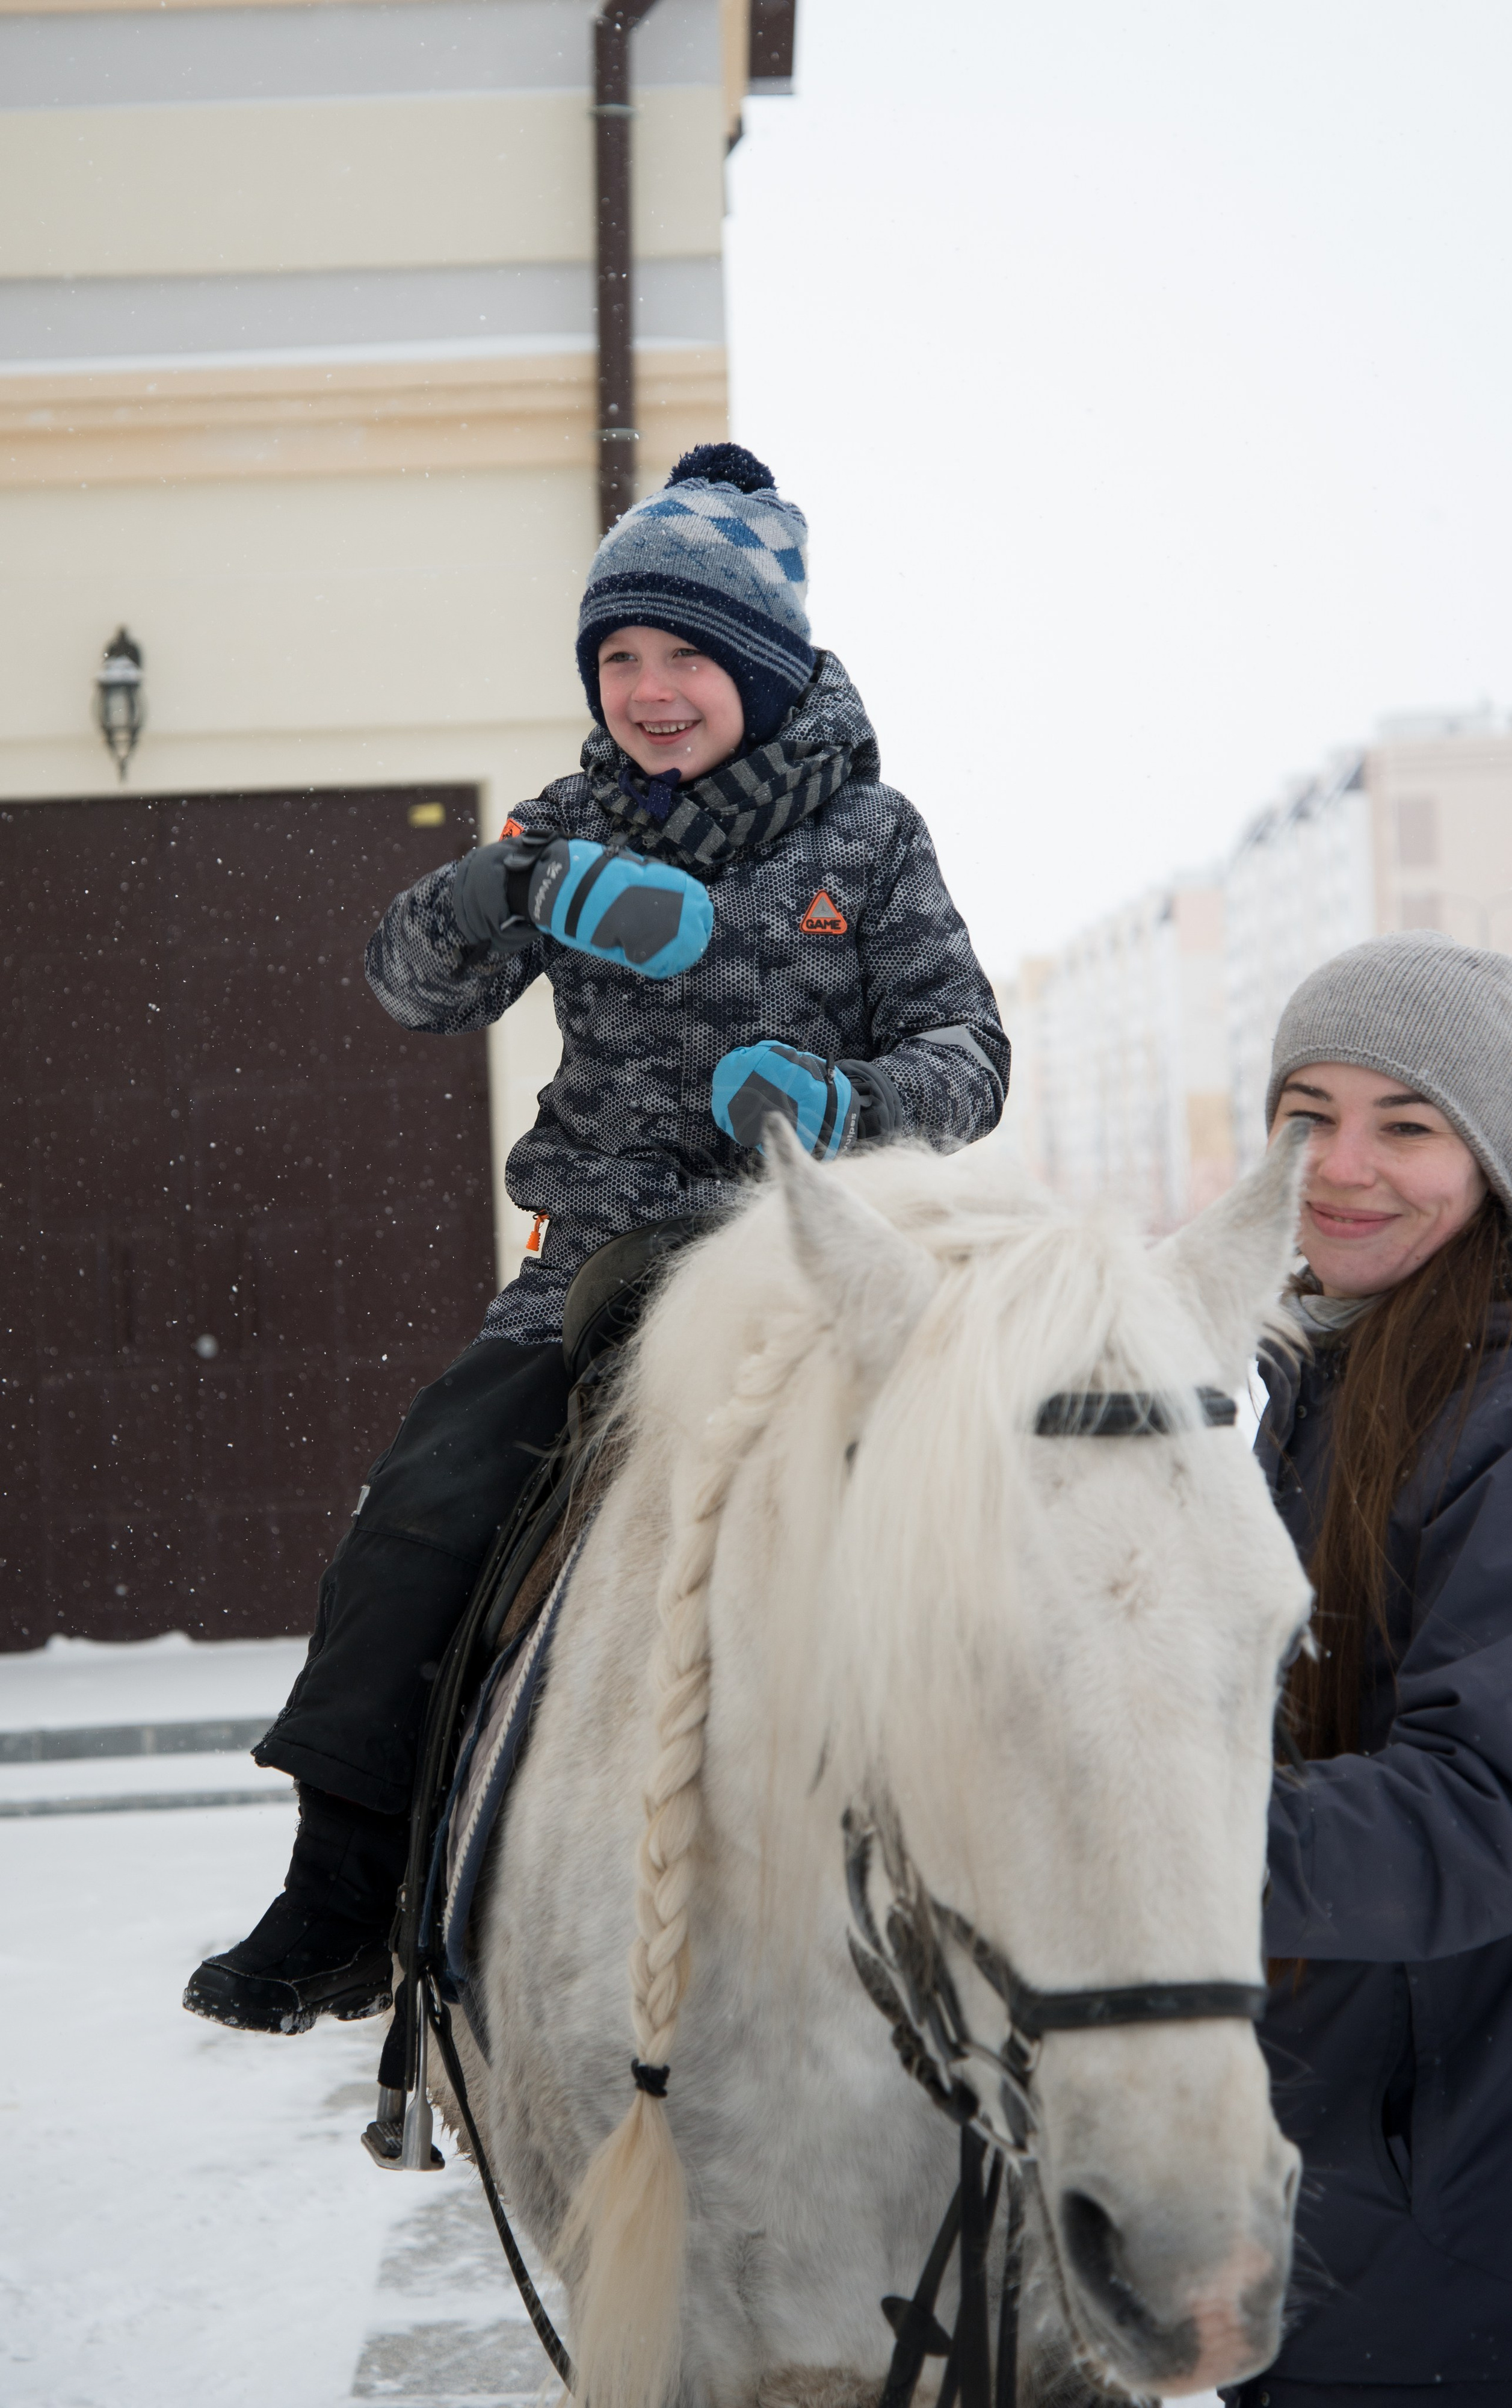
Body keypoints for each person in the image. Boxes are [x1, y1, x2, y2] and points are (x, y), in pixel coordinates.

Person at [183, 442, 1010, 2036]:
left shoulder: (871, 836)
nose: (647, 687)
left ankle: (1012, 1863)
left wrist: (841, 1102)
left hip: (813, 1259)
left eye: (685, 653)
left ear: (762, 671)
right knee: (422, 1506)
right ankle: (346, 1886)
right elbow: (405, 986)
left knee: (972, 1505)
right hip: (598, 1262)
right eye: (618, 656)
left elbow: (970, 1057)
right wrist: (513, 887)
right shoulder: (568, 819)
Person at [1229, 930, 1512, 2408]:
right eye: (1306, 1115)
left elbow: (1488, 1812)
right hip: (1349, 2198)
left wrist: (1111, 1839)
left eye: (1405, 1125)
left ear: (1495, 1156)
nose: (1339, 1165)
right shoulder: (1332, 1376)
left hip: (1467, 2233)